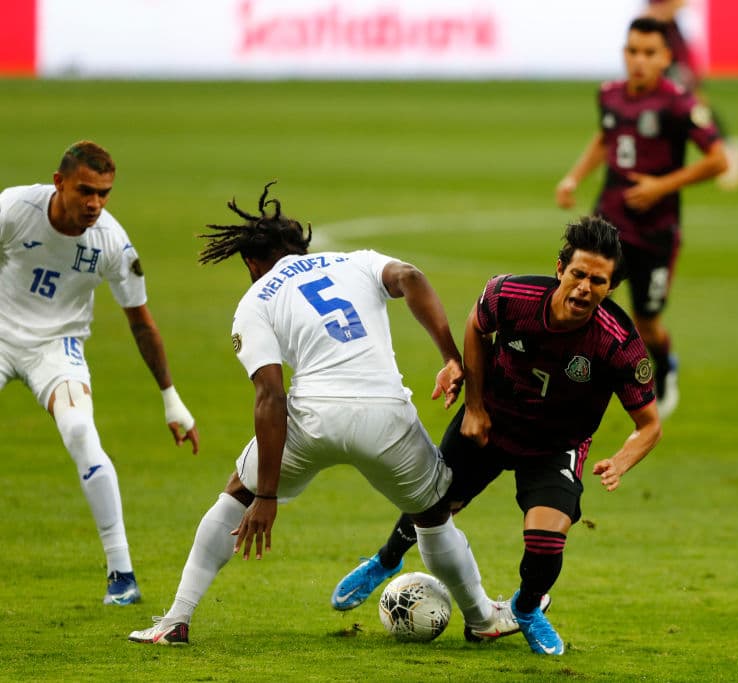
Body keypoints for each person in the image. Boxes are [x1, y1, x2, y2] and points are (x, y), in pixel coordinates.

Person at [128, 182, 522, 646]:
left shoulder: (255, 301)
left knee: (237, 492)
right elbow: (411, 277)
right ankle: (481, 618)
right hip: (386, 417)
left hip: (314, 417)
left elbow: (270, 398)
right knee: (432, 514)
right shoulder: (355, 261)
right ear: (302, 248)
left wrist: (267, 496)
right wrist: (451, 357)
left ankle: (177, 619)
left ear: (253, 263)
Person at [332, 216, 662, 655]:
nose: (584, 287)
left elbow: (649, 424)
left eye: (597, 281)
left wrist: (621, 461)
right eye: (578, 274)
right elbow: (474, 327)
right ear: (560, 268)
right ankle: (384, 561)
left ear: (609, 287)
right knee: (431, 504)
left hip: (555, 444)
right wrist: (473, 404)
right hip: (490, 420)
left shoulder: (617, 343)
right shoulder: (510, 294)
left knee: (546, 540)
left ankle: (526, 609)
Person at [0, 140, 199, 606]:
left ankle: (122, 575)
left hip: (58, 346)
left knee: (81, 434)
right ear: (59, 182)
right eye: (86, 191)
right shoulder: (13, 208)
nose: (95, 203)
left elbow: (141, 322)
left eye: (104, 193)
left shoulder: (111, 241)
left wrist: (171, 397)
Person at [555, 17, 728, 419]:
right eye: (633, 51)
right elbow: (606, 136)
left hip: (655, 232)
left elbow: (719, 160)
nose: (639, 61)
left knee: (647, 324)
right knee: (579, 296)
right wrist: (574, 177)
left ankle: (665, 367)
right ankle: (574, 378)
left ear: (666, 57)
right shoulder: (610, 95)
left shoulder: (679, 104)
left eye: (649, 53)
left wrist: (661, 186)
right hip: (608, 226)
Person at [645, 0, 738, 191]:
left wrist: (658, 14)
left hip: (672, 47)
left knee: (693, 102)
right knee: (658, 102)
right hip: (659, 45)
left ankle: (726, 147)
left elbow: (678, 4)